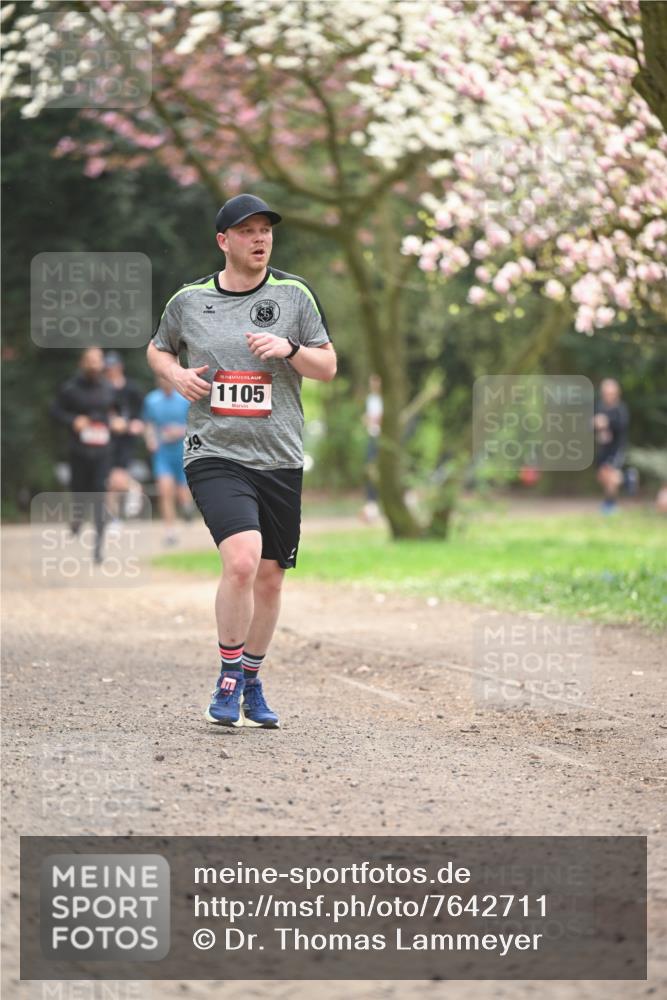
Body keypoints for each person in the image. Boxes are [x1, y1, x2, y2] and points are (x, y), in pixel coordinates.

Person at [146, 192, 336, 729]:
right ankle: (228, 678)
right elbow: (158, 347)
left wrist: (290, 351)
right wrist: (174, 374)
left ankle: (251, 678)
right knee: (243, 562)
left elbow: (327, 367)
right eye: (248, 231)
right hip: (215, 452)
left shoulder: (294, 296)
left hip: (278, 457)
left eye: (266, 231)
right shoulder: (188, 301)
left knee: (271, 578)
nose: (260, 239)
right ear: (223, 241)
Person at [51, 346, 116, 563]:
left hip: (102, 453)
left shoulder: (108, 388)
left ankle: (98, 549)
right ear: (82, 363)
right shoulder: (70, 389)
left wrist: (118, 421)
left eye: (97, 360)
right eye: (90, 360)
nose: (94, 364)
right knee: (79, 493)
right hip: (78, 452)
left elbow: (119, 410)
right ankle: (77, 519)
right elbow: (56, 412)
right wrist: (73, 421)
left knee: (99, 496)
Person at [141, 375, 192, 545]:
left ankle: (187, 509)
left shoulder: (184, 399)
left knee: (183, 492)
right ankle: (170, 532)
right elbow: (148, 424)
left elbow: (195, 424)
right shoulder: (151, 400)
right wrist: (150, 440)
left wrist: (180, 430)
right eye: (162, 378)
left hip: (182, 452)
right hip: (162, 453)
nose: (165, 381)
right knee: (165, 491)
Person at [104, 351, 145, 523]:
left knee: (117, 478)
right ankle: (113, 517)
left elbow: (142, 412)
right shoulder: (102, 388)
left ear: (120, 367)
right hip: (106, 440)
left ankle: (134, 490)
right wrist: (111, 422)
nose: (110, 370)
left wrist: (137, 423)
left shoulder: (132, 388)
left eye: (113, 367)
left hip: (126, 440)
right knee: (109, 481)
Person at [594, 378, 629, 514]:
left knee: (610, 475)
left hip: (616, 449)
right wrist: (595, 424)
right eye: (606, 393)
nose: (608, 396)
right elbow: (591, 424)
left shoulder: (620, 409)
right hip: (604, 449)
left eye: (611, 393)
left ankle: (610, 505)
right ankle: (627, 479)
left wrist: (606, 422)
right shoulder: (599, 407)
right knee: (602, 477)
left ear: (616, 393)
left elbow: (621, 426)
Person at [361, 373, 383, 523]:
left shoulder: (384, 399)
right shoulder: (371, 399)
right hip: (372, 436)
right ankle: (371, 502)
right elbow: (368, 418)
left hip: (382, 438)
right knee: (370, 468)